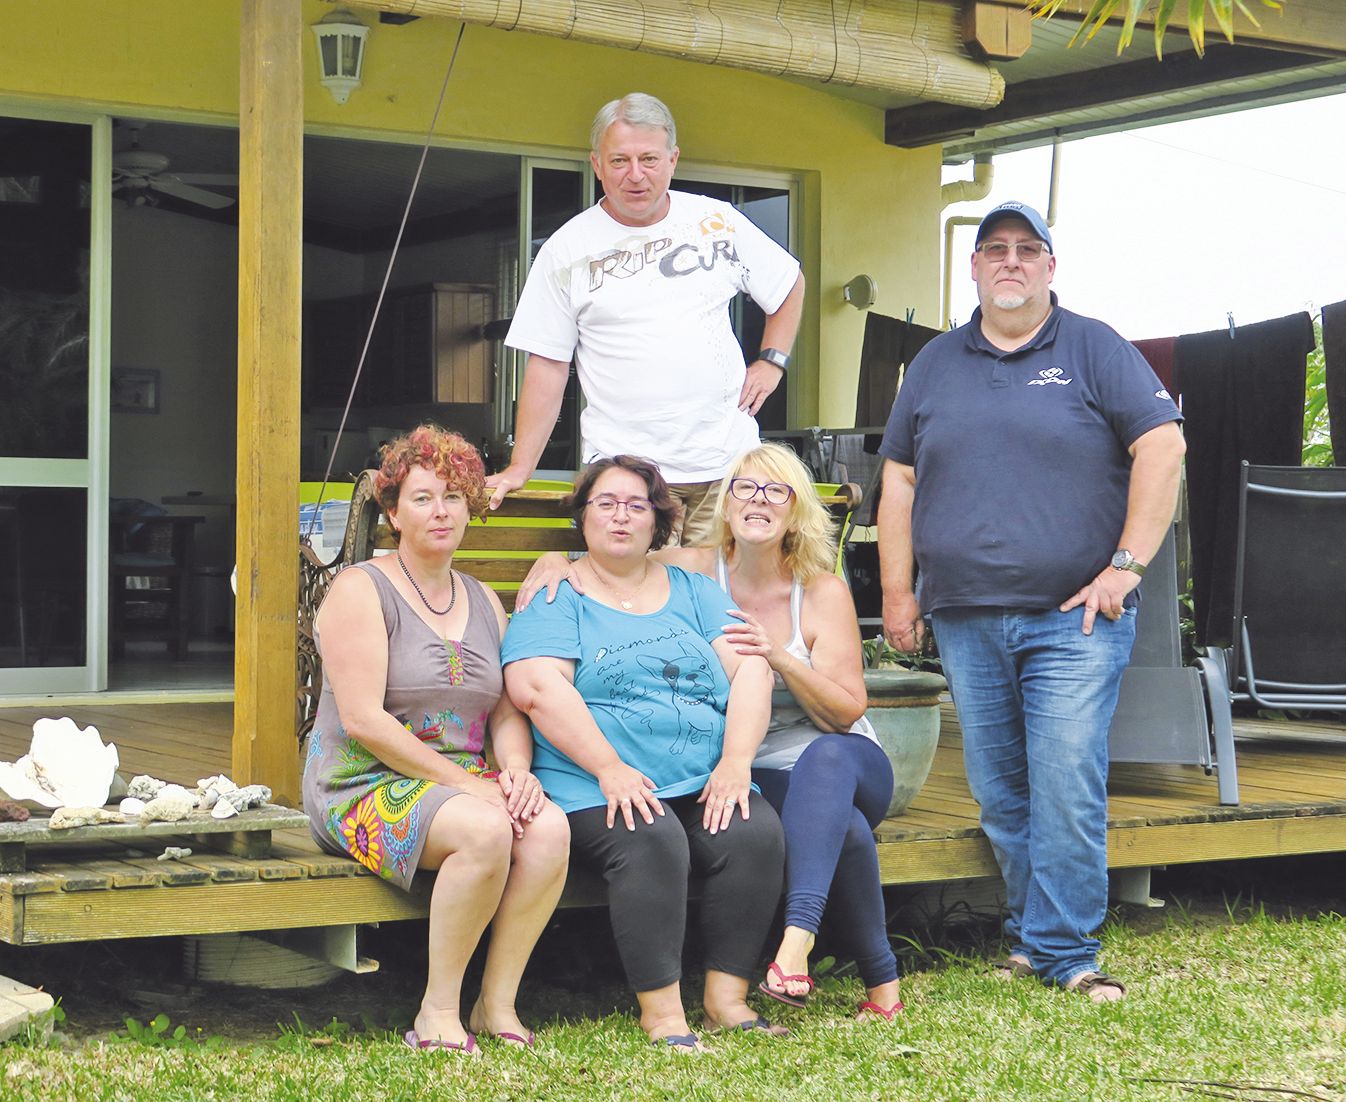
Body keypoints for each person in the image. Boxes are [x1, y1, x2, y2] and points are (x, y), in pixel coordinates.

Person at [877, 201, 1186, 1003]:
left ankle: (1066, 951)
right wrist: (896, 593)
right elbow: (899, 481)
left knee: (1064, 778)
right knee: (1000, 787)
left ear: (1050, 267)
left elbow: (1162, 444)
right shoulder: (935, 364)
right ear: (973, 269)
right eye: (992, 251)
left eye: (1026, 250)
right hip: (964, 614)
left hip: (1075, 615)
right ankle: (1030, 933)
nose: (1008, 262)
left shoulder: (1095, 347)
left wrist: (1125, 566)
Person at [518, 443, 902, 1021]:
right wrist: (553, 562)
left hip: (820, 753)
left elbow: (830, 706)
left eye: (777, 490)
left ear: (797, 508)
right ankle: (879, 981)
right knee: (811, 828)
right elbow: (602, 570)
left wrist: (740, 747)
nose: (759, 500)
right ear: (723, 506)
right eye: (745, 488)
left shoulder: (810, 590)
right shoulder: (691, 568)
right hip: (735, 764)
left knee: (801, 785)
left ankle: (773, 961)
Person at [501, 455, 786, 1051]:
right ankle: (662, 1015)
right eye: (606, 503)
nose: (621, 516)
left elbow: (752, 671)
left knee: (754, 833)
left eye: (637, 505)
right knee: (652, 837)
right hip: (591, 784)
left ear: (659, 521)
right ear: (583, 518)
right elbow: (535, 687)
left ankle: (726, 999)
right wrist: (609, 768)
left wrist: (736, 762)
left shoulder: (695, 591)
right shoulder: (556, 592)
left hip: (699, 777)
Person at [303, 424, 570, 1053]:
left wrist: (514, 771)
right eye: (422, 497)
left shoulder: (481, 598)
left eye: (454, 495)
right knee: (486, 829)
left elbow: (505, 709)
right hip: (360, 783)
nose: (441, 510)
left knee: (550, 828)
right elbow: (365, 720)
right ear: (393, 512)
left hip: (461, 782)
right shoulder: (360, 589)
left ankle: (495, 1004)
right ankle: (437, 1011)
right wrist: (469, 787)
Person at [489, 92, 807, 545]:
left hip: (727, 469)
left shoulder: (716, 221)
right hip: (631, 484)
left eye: (649, 159)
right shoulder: (566, 250)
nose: (635, 175)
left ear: (673, 159)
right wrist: (521, 467)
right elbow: (548, 365)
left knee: (723, 608)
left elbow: (788, 283)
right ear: (597, 164)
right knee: (645, 608)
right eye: (619, 160)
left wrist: (772, 361)